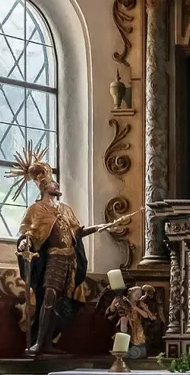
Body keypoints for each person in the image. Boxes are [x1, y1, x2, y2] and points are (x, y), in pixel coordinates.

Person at [11, 148, 125, 356]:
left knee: (59, 301)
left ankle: (48, 342)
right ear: (45, 186)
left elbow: (77, 232)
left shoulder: (65, 209)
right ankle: (39, 343)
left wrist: (102, 226)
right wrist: (23, 244)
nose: (57, 185)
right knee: (49, 296)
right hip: (53, 259)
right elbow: (26, 231)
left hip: (70, 261)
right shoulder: (36, 210)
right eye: (53, 182)